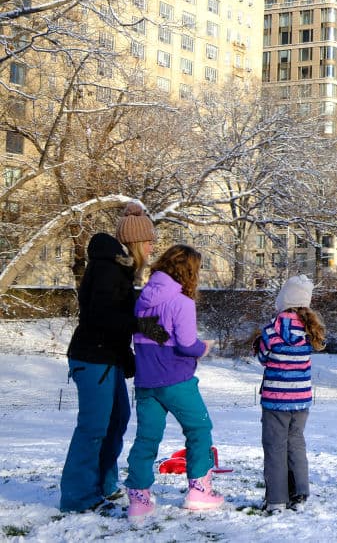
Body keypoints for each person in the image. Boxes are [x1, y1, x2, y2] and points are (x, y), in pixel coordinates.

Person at [59, 202, 161, 512]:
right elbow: (101, 317)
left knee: (117, 420)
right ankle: (78, 497)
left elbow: (118, 314)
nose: (152, 245)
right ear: (134, 242)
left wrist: (131, 350)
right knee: (93, 427)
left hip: (108, 358)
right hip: (92, 359)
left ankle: (102, 485)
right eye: (148, 240)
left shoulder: (120, 270)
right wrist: (142, 325)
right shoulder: (106, 268)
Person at [124, 245, 223, 523]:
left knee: (146, 438)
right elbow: (186, 344)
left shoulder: (143, 298)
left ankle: (139, 500)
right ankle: (199, 491)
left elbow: (154, 336)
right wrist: (204, 347)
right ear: (189, 270)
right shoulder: (182, 302)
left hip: (147, 381)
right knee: (199, 428)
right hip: (176, 379)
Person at [255, 275, 326, 514]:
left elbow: (264, 358)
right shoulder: (310, 332)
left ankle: (276, 500)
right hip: (301, 400)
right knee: (296, 444)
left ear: (283, 300)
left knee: (275, 447)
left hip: (276, 399)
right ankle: (300, 494)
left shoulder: (271, 330)